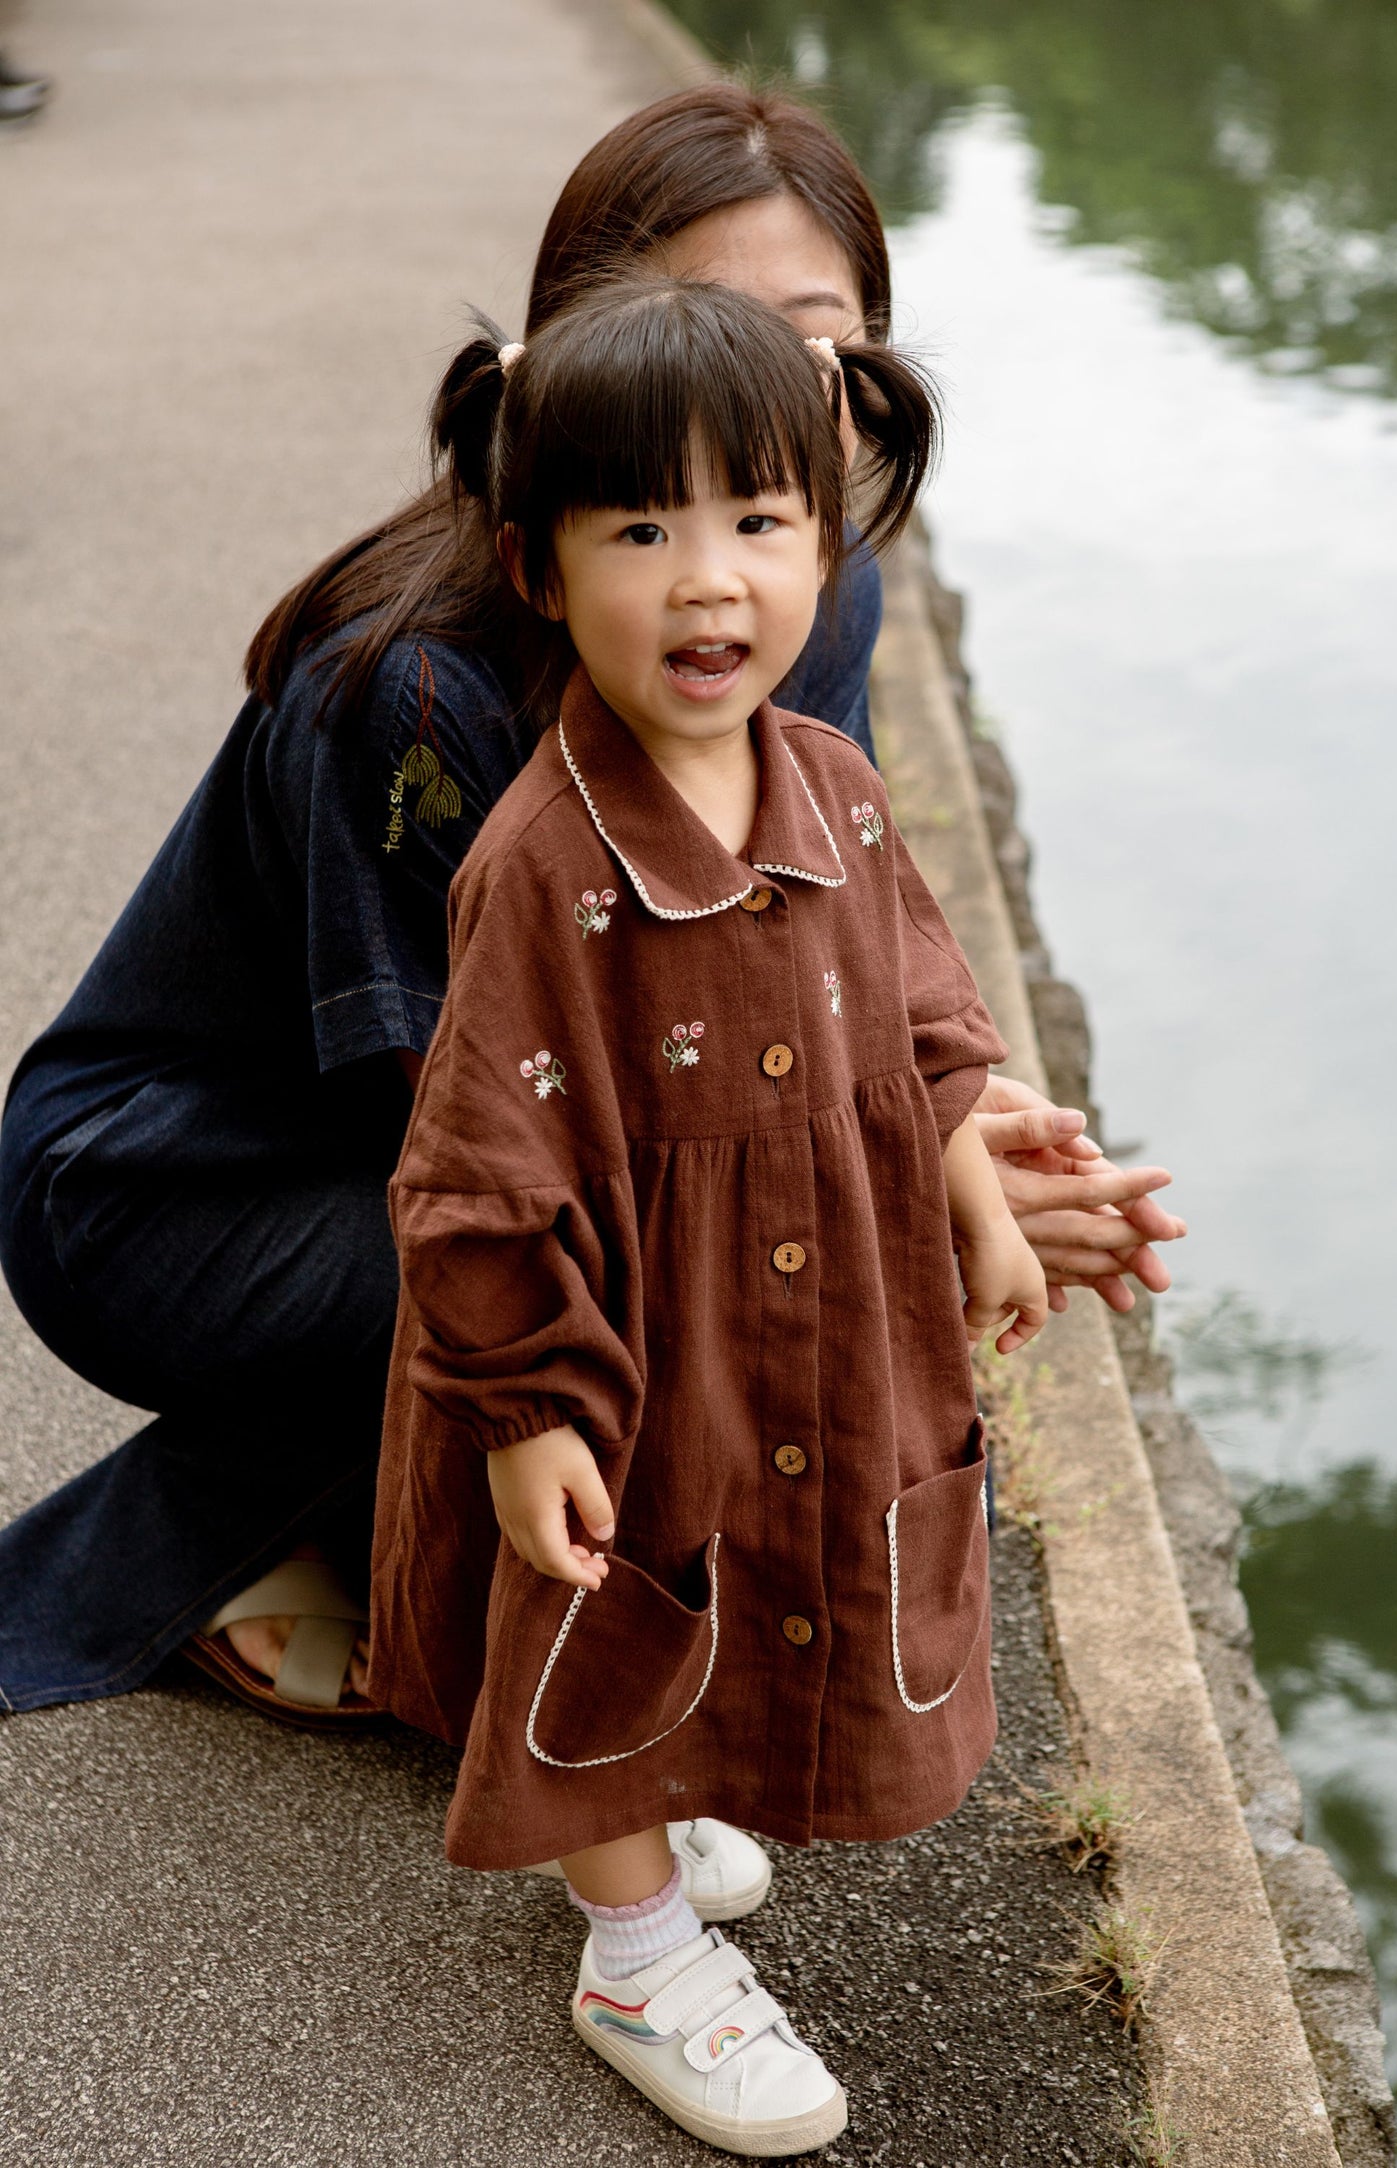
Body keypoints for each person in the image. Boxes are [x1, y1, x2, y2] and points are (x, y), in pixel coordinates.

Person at [0, 83, 1182, 1730]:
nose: (761, 394)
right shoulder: (411, 692)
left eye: (819, 345)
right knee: (651, 1268)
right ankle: (283, 1580)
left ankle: (388, 1538)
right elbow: (487, 1149)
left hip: (469, 1145)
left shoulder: (804, 587)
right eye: (697, 322)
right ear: (571, 377)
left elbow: (790, 935)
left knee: (727, 1247)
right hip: (177, 1194)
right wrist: (891, 1195)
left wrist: (956, 1117)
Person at [369, 272, 1046, 2157]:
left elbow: (917, 1007)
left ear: (825, 545)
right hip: (633, 1331)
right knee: (618, 1602)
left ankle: (683, 1808)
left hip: (816, 1303)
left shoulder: (825, 776)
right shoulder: (544, 863)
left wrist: (975, 1186)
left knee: (760, 1564)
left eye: (758, 522)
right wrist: (526, 1410)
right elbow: (481, 1172)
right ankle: (632, 1947)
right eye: (640, 529)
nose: (706, 582)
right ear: (538, 563)